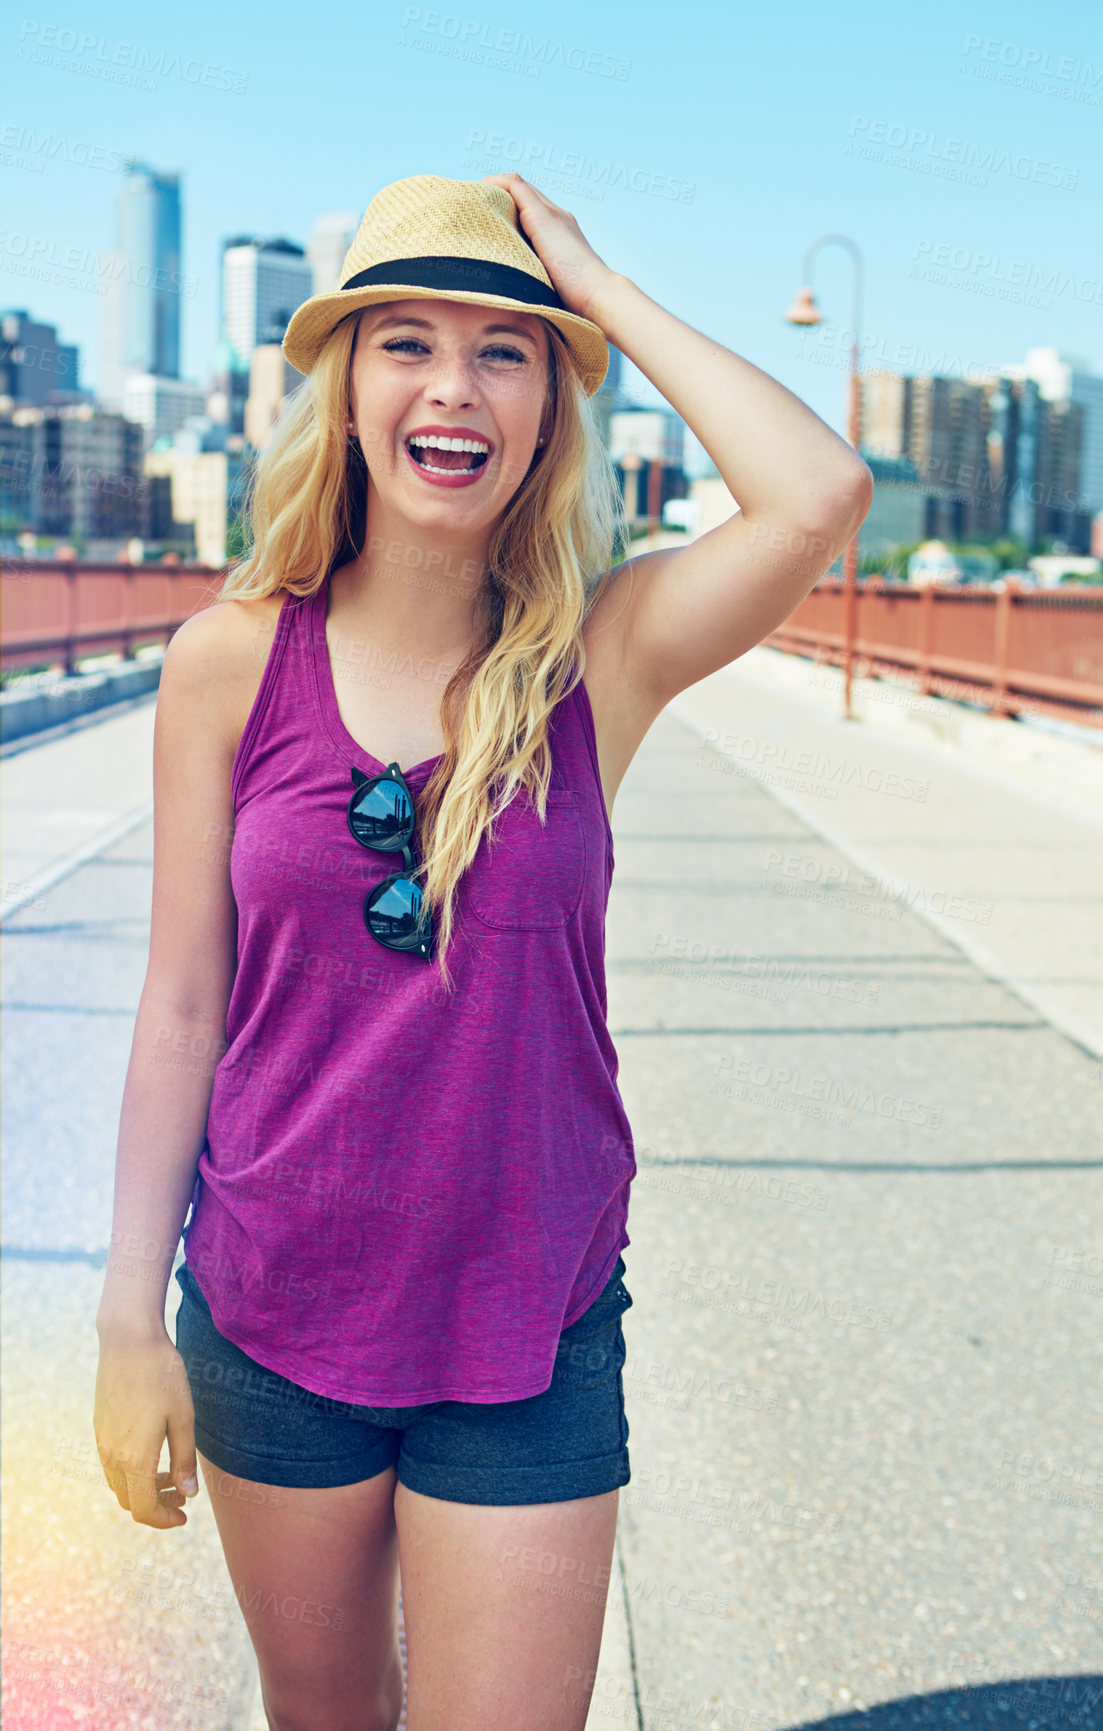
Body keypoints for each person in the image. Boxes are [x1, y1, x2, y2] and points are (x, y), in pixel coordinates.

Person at [92, 173, 872, 1731]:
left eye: (504, 351)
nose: (452, 386)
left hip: (529, 1315)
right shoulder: (230, 663)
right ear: (349, 389)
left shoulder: (603, 657)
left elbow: (814, 496)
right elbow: (184, 1005)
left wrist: (593, 283)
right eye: (404, 342)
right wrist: (124, 1322)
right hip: (270, 1304)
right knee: (324, 1718)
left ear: (547, 407)